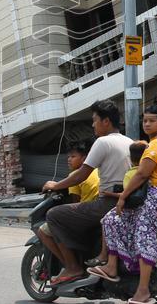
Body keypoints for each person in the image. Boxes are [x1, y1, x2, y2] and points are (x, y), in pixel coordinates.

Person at [90, 102, 157, 304]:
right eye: (145, 120)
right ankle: (112, 267)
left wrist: (122, 197)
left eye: (152, 121)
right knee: (112, 219)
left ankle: (142, 292)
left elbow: (142, 174)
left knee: (144, 232)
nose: (147, 124)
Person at [40, 100, 132, 286]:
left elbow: (81, 175)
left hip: (106, 204)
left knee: (54, 215)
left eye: (95, 120)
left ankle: (73, 267)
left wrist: (55, 185)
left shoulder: (103, 142)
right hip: (126, 201)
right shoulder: (128, 141)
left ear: (106, 121)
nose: (92, 125)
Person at [65, 139, 99, 204]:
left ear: (84, 159)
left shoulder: (74, 175)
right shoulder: (97, 169)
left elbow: (75, 201)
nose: (69, 159)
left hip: (87, 208)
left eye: (73, 156)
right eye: (68, 156)